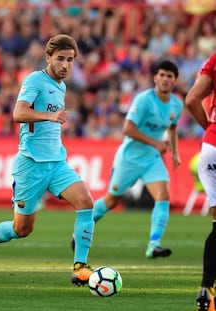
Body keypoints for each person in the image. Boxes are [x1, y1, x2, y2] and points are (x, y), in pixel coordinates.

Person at [0, 34, 95, 287]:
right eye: (60, 59)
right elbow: (18, 113)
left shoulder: (62, 86)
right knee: (22, 229)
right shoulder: (35, 80)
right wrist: (49, 117)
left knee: (86, 202)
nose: (65, 65)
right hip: (30, 164)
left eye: (70, 60)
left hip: (57, 162)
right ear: (48, 58)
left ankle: (79, 267)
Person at [84, 60, 182, 259]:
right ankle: (82, 227)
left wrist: (175, 152)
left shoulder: (176, 104)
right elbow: (127, 129)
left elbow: (172, 128)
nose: (164, 79)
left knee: (163, 196)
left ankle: (154, 245)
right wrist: (156, 143)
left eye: (169, 76)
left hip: (152, 159)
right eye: (161, 75)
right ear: (155, 77)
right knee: (111, 201)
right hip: (130, 158)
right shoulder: (144, 100)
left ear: (174, 81)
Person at [185, 53, 216, 311]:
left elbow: (192, 100)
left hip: (210, 149)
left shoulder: (214, 59)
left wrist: (209, 129)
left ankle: (206, 291)